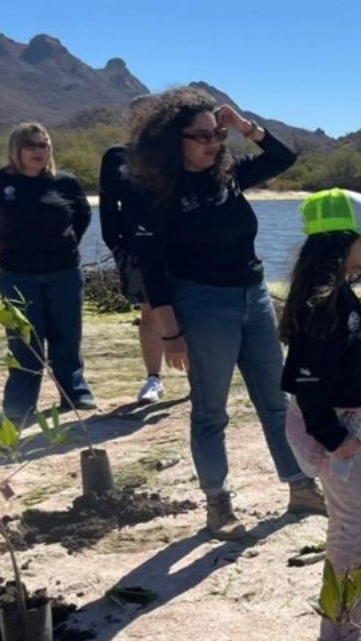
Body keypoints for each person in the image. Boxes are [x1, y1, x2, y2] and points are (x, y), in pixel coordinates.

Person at [127, 87, 325, 540]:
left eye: (217, 134)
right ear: (171, 140)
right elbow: (152, 270)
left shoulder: (228, 174)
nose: (213, 143)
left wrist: (245, 127)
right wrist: (170, 333)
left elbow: (282, 158)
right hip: (201, 304)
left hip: (252, 297)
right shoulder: (155, 191)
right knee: (211, 409)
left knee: (277, 400)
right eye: (201, 137)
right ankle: (218, 506)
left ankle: (300, 487)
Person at [279, 188, 361, 641]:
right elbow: (306, 381)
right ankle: (339, 634)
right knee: (356, 524)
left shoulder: (339, 297)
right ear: (338, 242)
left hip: (343, 428)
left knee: (349, 520)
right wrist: (334, 440)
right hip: (332, 433)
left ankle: (351, 608)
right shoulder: (323, 303)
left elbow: (338, 356)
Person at [0, 122, 96, 423]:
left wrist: (68, 242)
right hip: (18, 274)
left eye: (44, 145)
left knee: (67, 337)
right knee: (24, 342)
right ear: (17, 149)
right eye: (31, 145)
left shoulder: (65, 182)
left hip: (64, 271)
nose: (39, 151)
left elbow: (83, 214)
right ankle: (20, 406)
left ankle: (74, 393)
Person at [100, 110, 165, 405]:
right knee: (149, 312)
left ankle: (198, 379)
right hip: (137, 248)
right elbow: (107, 206)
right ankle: (154, 379)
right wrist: (117, 245)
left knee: (188, 311)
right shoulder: (115, 157)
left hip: (179, 247)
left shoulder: (174, 151)